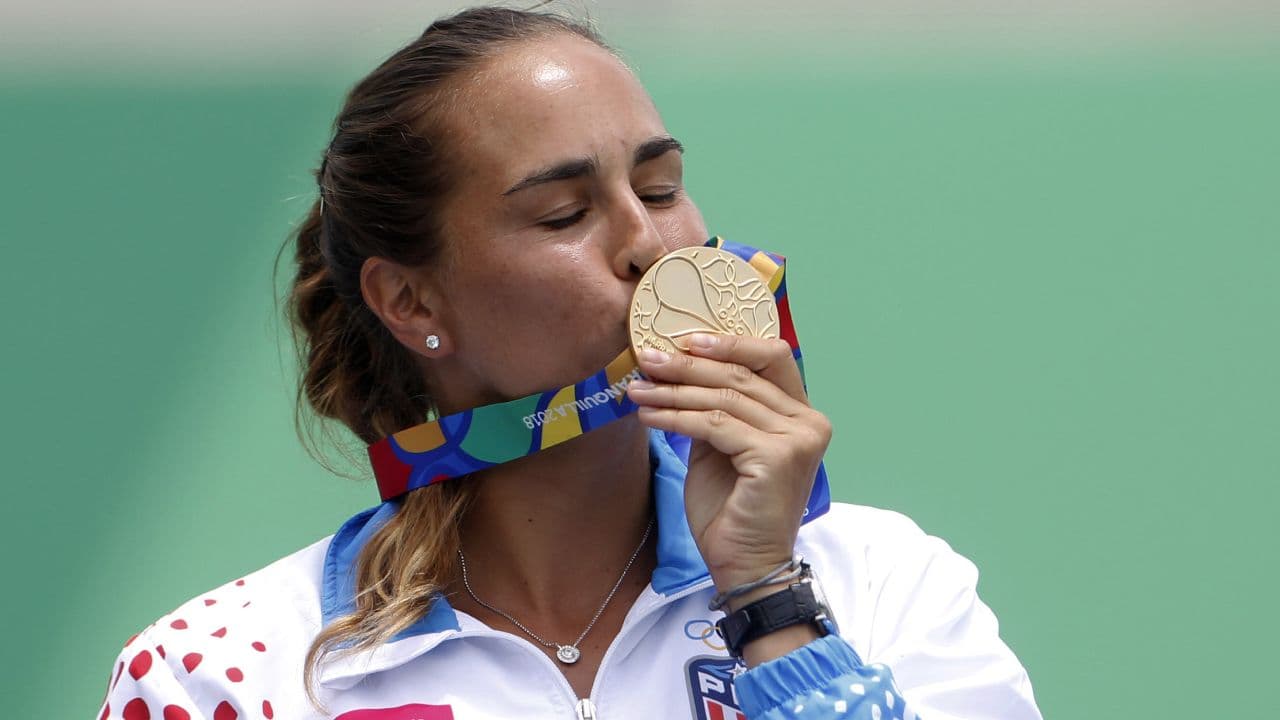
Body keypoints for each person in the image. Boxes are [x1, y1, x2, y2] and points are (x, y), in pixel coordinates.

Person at [96, 7, 1042, 720]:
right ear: (411, 302)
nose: (648, 244)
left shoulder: (883, 585)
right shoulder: (223, 670)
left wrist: (766, 596)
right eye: (565, 215)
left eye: (662, 186)